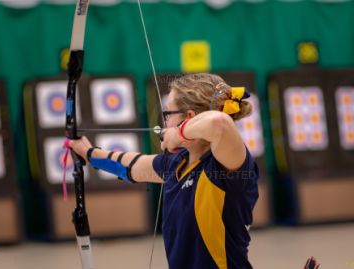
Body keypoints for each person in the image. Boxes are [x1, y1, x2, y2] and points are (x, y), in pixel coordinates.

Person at [69, 73, 259, 269]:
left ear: (190, 117)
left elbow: (219, 123)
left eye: (167, 113)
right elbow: (131, 165)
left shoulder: (226, 167)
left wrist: (178, 134)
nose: (163, 122)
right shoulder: (176, 164)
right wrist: (89, 153)